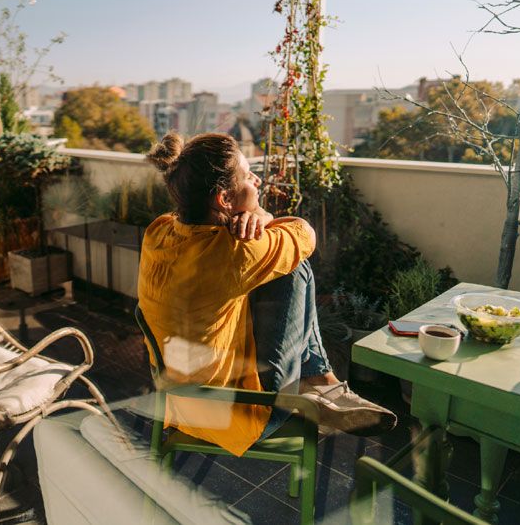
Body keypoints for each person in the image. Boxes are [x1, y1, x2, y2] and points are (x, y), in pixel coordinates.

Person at [137, 132, 396, 457]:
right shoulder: (236, 252)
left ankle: (320, 383)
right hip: (235, 415)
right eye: (248, 176)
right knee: (294, 268)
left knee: (272, 270)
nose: (257, 180)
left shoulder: (158, 230)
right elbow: (305, 235)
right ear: (224, 200)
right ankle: (319, 383)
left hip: (177, 404)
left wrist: (255, 217)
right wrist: (261, 218)